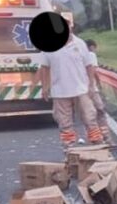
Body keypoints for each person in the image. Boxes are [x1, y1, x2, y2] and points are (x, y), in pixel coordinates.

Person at [38, 15, 102, 147]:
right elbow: (44, 68)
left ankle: (97, 143)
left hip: (81, 89)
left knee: (90, 117)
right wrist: (45, 87)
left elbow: (89, 66)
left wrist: (91, 85)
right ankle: (69, 147)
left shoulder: (80, 44)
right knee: (64, 122)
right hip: (59, 91)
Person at [84, 39, 112, 144]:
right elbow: (94, 71)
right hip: (92, 90)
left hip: (81, 91)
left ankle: (95, 140)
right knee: (100, 112)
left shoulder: (80, 56)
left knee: (89, 116)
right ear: (91, 47)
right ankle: (107, 139)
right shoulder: (91, 55)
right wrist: (98, 84)